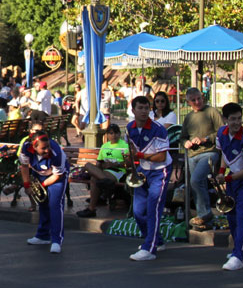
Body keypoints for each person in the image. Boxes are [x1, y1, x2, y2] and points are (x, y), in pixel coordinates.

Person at [213, 102, 243, 271]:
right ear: (225, 119)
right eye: (232, 119)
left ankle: (238, 255)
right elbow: (224, 155)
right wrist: (221, 171)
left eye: (239, 119)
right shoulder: (221, 133)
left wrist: (228, 177)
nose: (236, 123)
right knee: (231, 216)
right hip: (233, 179)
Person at [126, 96, 172, 261]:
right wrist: (130, 161)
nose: (145, 111)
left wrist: (141, 155)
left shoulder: (158, 129)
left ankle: (149, 248)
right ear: (133, 110)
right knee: (138, 211)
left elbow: (161, 157)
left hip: (160, 171)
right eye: (141, 108)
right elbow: (132, 149)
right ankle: (155, 240)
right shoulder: (130, 128)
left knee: (154, 208)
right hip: (143, 171)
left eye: (147, 108)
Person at [181, 87, 224, 229]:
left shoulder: (211, 112)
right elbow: (182, 137)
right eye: (193, 100)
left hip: (209, 152)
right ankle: (204, 216)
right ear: (188, 102)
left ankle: (205, 213)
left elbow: (222, 131)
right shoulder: (188, 118)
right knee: (197, 185)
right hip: (192, 154)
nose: (197, 102)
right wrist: (185, 142)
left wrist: (206, 139)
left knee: (196, 180)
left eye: (199, 98)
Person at [20, 132, 68, 254]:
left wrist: (41, 186)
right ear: (34, 147)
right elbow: (24, 166)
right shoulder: (26, 147)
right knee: (43, 204)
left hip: (56, 177)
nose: (47, 150)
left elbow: (57, 176)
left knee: (55, 205)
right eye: (43, 148)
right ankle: (42, 236)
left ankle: (57, 240)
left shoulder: (56, 154)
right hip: (39, 173)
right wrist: (27, 185)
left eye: (48, 147)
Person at [75, 125, 127, 219]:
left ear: (119, 134)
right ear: (107, 135)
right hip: (104, 171)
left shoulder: (124, 145)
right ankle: (107, 183)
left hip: (117, 171)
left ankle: (91, 209)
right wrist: (97, 168)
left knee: (94, 179)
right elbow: (99, 163)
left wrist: (114, 164)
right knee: (88, 166)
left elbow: (128, 164)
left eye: (116, 133)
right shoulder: (105, 146)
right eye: (111, 133)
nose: (114, 135)